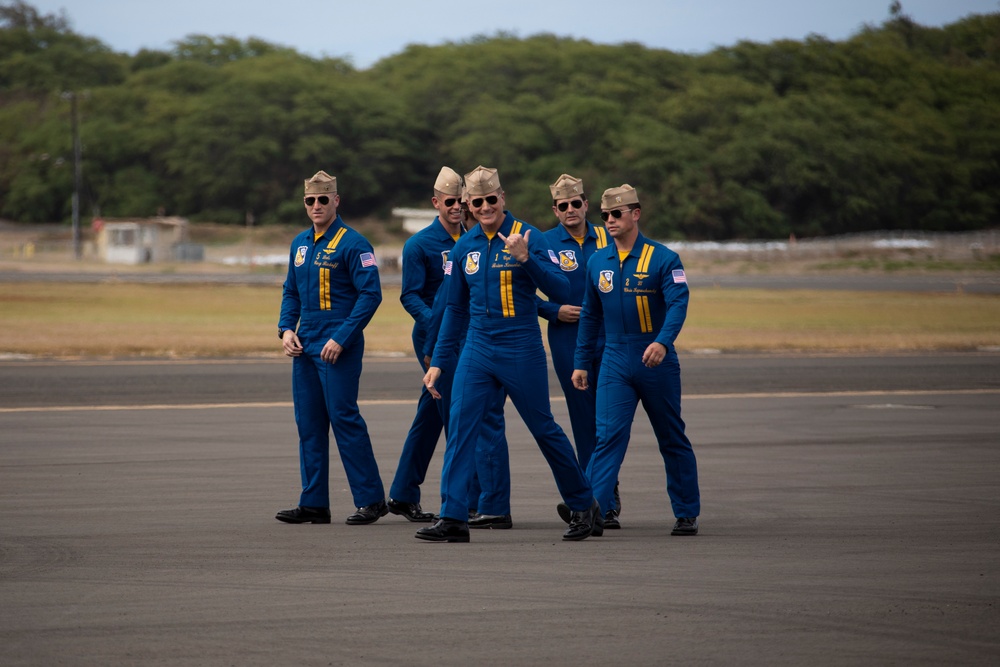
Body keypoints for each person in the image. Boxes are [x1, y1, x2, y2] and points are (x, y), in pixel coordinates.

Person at [416, 165, 602, 543]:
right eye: (477, 202)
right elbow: (454, 309)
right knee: (461, 426)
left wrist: (525, 259)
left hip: (521, 346)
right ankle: (453, 515)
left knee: (543, 428)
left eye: (490, 200)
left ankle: (584, 504)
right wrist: (437, 360)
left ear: (502, 198)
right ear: (468, 204)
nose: (485, 207)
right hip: (478, 347)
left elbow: (562, 288)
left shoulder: (528, 236)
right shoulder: (465, 246)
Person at [571, 184, 701, 536]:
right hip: (614, 357)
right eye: (605, 216)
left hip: (654, 359)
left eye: (617, 213)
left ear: (636, 214)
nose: (610, 220)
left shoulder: (664, 259)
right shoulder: (598, 261)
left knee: (671, 435)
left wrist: (663, 341)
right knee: (608, 436)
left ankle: (686, 511)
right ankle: (589, 511)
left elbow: (678, 303)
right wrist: (581, 362)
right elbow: (590, 316)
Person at [388, 167, 510, 528]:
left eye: (462, 201)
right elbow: (409, 295)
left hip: (470, 335)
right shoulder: (420, 244)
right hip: (434, 338)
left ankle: (403, 492)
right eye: (450, 202)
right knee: (461, 416)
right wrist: (435, 333)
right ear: (436, 202)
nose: (457, 207)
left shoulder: (476, 238)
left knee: (431, 413)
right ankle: (470, 500)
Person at [275, 170, 388, 526]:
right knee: (308, 423)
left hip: (338, 345)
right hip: (305, 343)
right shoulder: (300, 244)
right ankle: (314, 503)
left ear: (336, 200)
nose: (317, 206)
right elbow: (291, 291)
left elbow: (371, 295)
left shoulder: (355, 244)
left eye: (324, 199)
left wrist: (342, 337)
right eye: (311, 200)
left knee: (343, 418)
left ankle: (371, 499)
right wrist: (285, 330)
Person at [536, 174, 623, 528]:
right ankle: (595, 501)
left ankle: (604, 501)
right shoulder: (543, 242)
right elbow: (518, 291)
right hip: (568, 340)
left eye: (576, 203)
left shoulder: (609, 235)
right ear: (555, 210)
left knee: (610, 422)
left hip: (611, 336)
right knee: (584, 421)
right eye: (563, 206)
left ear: (587, 205)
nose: (570, 210)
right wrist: (552, 310)